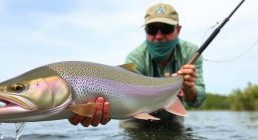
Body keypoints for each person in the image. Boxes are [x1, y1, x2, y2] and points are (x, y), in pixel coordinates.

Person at [68, 3, 206, 128]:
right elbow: (129, 101)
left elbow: (198, 101)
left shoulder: (191, 52)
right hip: (135, 118)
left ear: (178, 29)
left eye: (166, 29)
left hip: (172, 118)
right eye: (152, 29)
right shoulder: (135, 58)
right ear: (145, 30)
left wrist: (188, 88)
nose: (158, 36)